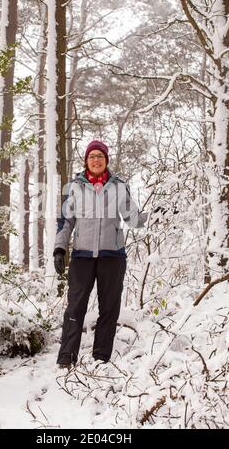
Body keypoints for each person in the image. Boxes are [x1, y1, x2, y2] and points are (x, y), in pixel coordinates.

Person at [53, 140, 148, 368]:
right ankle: (67, 357)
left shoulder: (118, 186)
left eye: (100, 156)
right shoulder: (74, 187)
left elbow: (132, 219)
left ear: (106, 160)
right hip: (82, 257)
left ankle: (101, 358)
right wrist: (60, 248)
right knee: (75, 307)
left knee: (109, 308)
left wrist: (154, 215)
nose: (96, 159)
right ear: (86, 161)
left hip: (112, 256)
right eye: (92, 156)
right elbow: (65, 221)